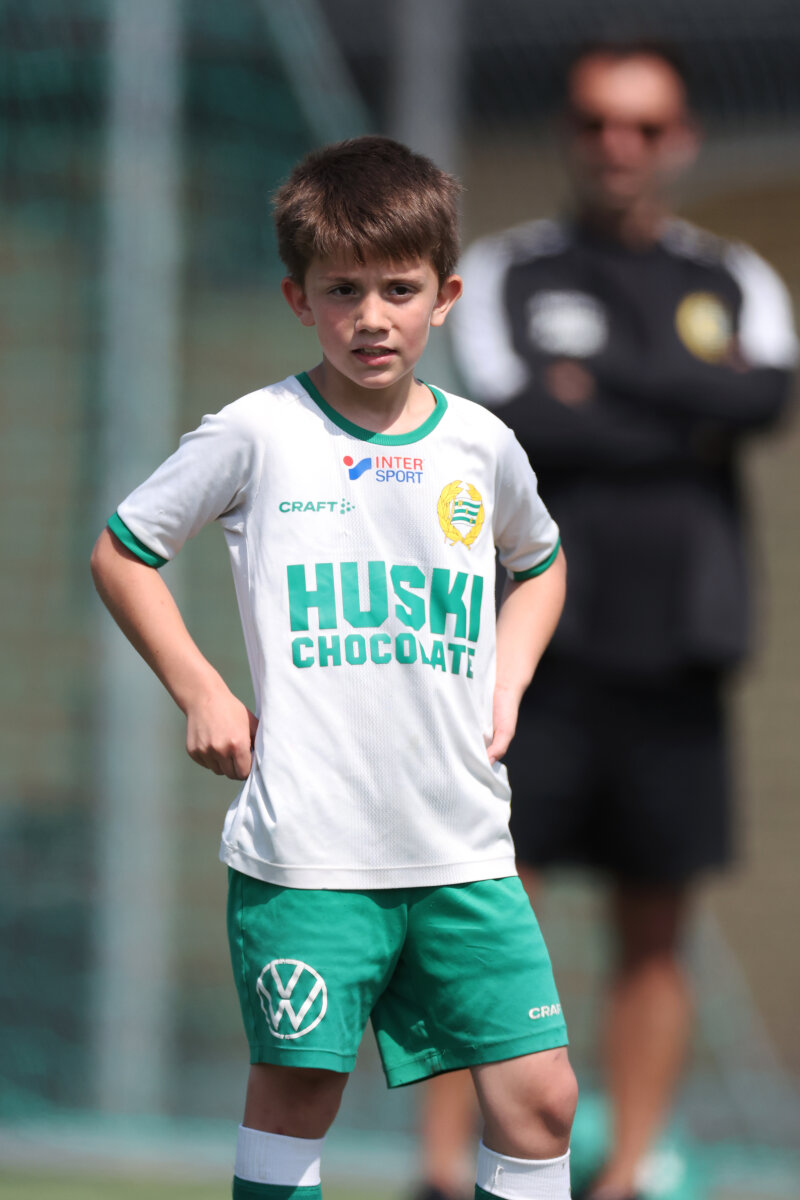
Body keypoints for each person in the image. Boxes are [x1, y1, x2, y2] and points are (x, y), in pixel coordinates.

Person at [90, 135, 578, 1200]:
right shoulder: (256, 433)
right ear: (297, 298)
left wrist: (508, 677)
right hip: (309, 853)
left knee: (541, 1098)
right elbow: (123, 553)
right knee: (299, 1094)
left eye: (398, 289)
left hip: (461, 845)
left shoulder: (481, 445)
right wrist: (202, 690)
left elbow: (539, 565)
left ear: (445, 296)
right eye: (341, 290)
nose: (371, 316)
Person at [418, 42, 798, 1200]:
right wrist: (679, 402)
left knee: (653, 933)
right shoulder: (505, 272)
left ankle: (626, 1175)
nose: (616, 146)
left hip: (680, 652)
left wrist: (600, 384)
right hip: (529, 662)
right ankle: (447, 1173)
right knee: (488, 919)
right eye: (594, 122)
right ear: (567, 134)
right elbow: (516, 420)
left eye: (641, 126)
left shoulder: (732, 277)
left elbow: (762, 397)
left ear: (678, 140)